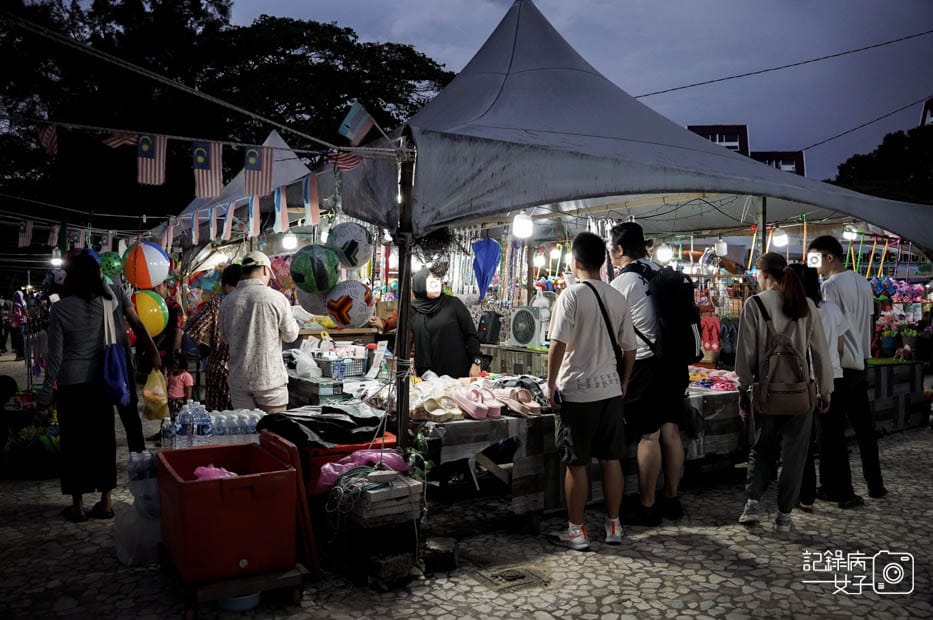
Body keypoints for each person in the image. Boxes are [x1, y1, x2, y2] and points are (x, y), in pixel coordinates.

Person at [546, 231, 637, 550]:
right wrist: (624, 381)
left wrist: (550, 383)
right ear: (602, 262)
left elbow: (557, 344)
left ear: (574, 261)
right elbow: (630, 349)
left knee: (578, 462)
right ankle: (614, 525)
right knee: (612, 459)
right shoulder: (617, 296)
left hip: (578, 393)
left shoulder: (570, 295)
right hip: (610, 392)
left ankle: (577, 531)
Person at [736, 253, 833, 533]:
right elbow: (820, 352)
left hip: (766, 393)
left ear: (764, 274)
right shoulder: (806, 305)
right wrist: (825, 390)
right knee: (795, 455)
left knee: (761, 448)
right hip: (801, 395)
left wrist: (744, 389)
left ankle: (753, 503)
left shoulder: (754, 304)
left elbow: (746, 354)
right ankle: (783, 516)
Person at [608, 222, 687, 524]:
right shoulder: (660, 270)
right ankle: (672, 499)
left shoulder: (624, 283)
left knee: (649, 436)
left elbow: (613, 331)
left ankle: (647, 506)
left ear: (619, 249)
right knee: (670, 432)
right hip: (674, 363)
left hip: (646, 365)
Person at [37, 254, 121, 523]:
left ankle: (78, 506)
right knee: (103, 441)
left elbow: (55, 358)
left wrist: (46, 393)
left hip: (72, 385)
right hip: (101, 383)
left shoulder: (60, 309)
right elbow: (110, 291)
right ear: (98, 276)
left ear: (70, 277)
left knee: (75, 444)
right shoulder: (107, 304)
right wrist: (101, 281)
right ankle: (106, 502)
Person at [807, 235, 887, 500]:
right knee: (865, 430)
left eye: (815, 258)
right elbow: (871, 321)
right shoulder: (863, 282)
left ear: (829, 257)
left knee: (833, 433)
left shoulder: (830, 287)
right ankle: (876, 485)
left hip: (842, 366)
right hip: (862, 362)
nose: (812, 264)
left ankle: (837, 488)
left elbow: (833, 333)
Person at [787, 264, 856, 511]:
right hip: (834, 378)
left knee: (803, 440)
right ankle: (842, 491)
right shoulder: (832, 309)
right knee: (834, 439)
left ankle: (804, 495)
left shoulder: (795, 312)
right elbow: (839, 348)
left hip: (806, 381)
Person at [219, 251, 299, 413]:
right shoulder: (276, 298)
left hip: (239, 380)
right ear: (264, 270)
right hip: (269, 380)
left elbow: (225, 338)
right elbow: (291, 335)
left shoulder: (227, 301)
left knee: (246, 433)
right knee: (273, 432)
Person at [402, 269, 482, 378]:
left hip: (457, 374)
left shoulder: (453, 304)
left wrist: (476, 362)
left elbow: (471, 335)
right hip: (428, 377)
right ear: (420, 286)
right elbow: (407, 341)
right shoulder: (412, 310)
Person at [184, 264, 242, 411]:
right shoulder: (251, 303)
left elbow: (193, 329)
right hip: (245, 371)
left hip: (220, 370)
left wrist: (204, 348)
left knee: (219, 417)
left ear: (225, 284)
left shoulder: (216, 304)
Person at [165, 351, 194, 416]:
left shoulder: (186, 376)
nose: (174, 366)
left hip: (179, 401)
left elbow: (189, 392)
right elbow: (167, 385)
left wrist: (187, 405)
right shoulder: (171, 374)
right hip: (170, 400)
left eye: (176, 365)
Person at [11, 290, 27, 360]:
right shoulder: (24, 302)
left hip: (18, 324)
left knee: (18, 340)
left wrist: (11, 316)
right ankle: (23, 355)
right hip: (24, 323)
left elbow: (18, 315)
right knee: (23, 340)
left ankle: (20, 356)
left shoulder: (16, 304)